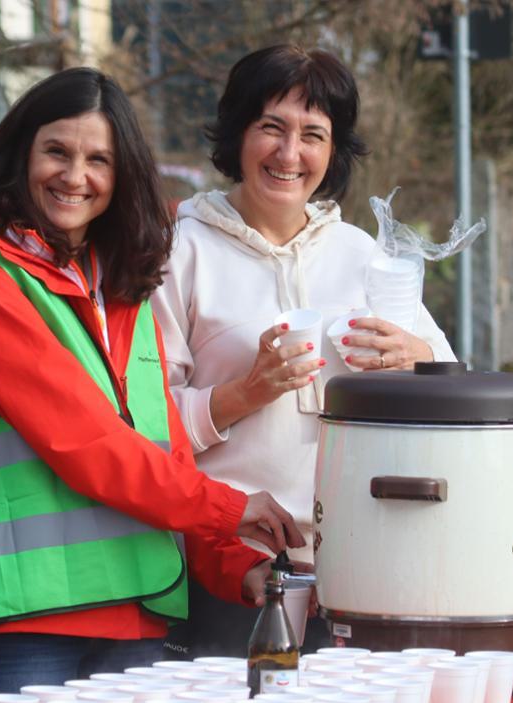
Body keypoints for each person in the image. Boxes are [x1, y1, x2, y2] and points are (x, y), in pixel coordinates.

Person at [0, 67, 304, 702]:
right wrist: (234, 506)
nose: (75, 176)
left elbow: (161, 453)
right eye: (56, 151)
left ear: (122, 178)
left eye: (99, 160)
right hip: (25, 623)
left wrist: (237, 563)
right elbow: (86, 444)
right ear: (21, 153)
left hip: (138, 617)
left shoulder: (121, 290)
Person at [151, 45, 457, 658]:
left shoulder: (361, 254)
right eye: (272, 128)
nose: (291, 154)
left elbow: (449, 386)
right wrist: (246, 392)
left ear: (333, 152)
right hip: (231, 569)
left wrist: (416, 353)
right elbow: (142, 425)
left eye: (313, 135)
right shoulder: (178, 253)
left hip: (363, 561)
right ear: (238, 133)